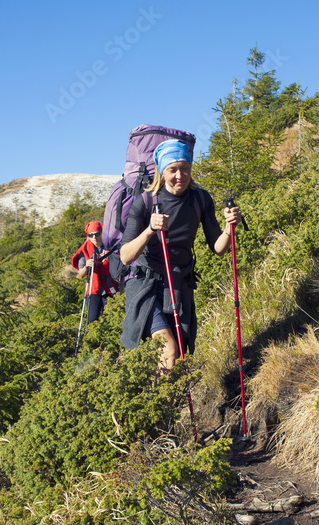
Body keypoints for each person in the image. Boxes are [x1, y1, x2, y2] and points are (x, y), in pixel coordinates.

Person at [119, 138, 242, 371]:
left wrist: (229, 227)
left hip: (178, 285)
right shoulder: (145, 202)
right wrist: (149, 230)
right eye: (172, 169)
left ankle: (159, 399)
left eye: (185, 168)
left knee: (179, 354)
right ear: (162, 172)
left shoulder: (200, 199)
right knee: (169, 350)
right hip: (146, 286)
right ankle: (161, 405)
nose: (180, 176)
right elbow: (125, 256)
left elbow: (218, 247)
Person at [71, 221, 116, 324]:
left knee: (111, 319)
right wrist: (86, 266)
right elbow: (80, 275)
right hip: (93, 288)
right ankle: (91, 338)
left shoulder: (111, 246)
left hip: (110, 288)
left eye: (97, 234)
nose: (94, 237)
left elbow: (122, 267)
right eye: (91, 235)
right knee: (92, 321)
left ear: (102, 233)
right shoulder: (85, 250)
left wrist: (111, 261)